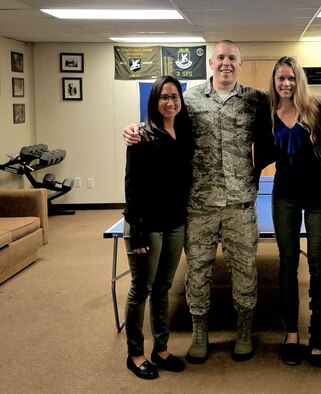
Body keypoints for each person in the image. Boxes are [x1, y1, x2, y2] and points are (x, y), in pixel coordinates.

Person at [123, 40, 272, 363]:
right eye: (220, 57)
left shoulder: (256, 100)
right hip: (199, 204)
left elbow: (294, 103)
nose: (226, 63)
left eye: (232, 58)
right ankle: (200, 332)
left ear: (240, 63)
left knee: (245, 270)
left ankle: (243, 331)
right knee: (198, 272)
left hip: (240, 204)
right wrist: (133, 128)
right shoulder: (188, 99)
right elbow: (160, 121)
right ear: (211, 62)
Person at [265, 57, 321, 367]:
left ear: (299, 80)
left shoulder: (319, 108)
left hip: (318, 198)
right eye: (281, 78)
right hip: (284, 198)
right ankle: (292, 334)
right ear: (274, 81)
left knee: (319, 267)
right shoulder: (267, 112)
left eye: (291, 78)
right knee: (287, 265)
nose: (286, 83)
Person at [123, 75, 193, 379]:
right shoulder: (141, 136)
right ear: (154, 101)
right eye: (164, 97)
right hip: (147, 225)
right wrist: (136, 229)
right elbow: (132, 186)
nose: (170, 102)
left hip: (175, 222)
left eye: (175, 96)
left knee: (163, 288)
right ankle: (135, 354)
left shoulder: (184, 132)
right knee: (141, 289)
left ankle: (160, 349)